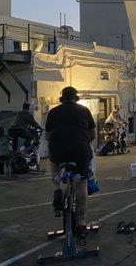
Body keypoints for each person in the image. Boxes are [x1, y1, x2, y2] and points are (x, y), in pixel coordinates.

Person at [46, 87, 96, 238]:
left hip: (59, 149)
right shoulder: (84, 110)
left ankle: (57, 188)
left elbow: (48, 136)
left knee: (54, 164)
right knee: (81, 184)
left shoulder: (53, 112)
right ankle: (81, 223)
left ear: (62, 98)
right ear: (76, 97)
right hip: (79, 149)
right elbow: (92, 134)